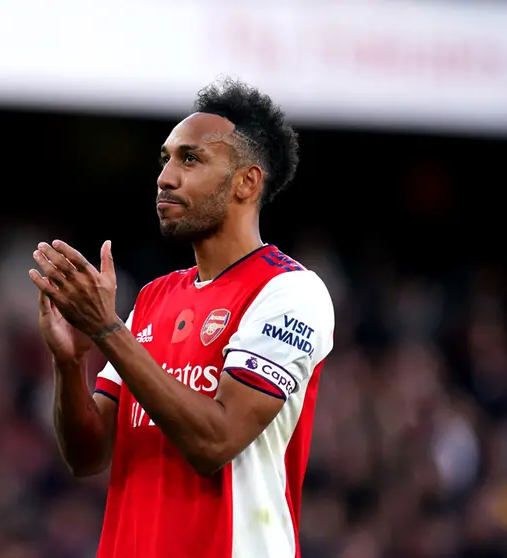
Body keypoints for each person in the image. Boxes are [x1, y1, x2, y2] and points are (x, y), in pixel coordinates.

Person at [28, 77, 335, 558]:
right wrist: (70, 363)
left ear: (246, 182)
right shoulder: (154, 297)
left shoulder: (289, 291)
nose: (165, 177)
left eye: (190, 159)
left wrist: (108, 330)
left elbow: (214, 443)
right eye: (167, 159)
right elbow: (88, 456)